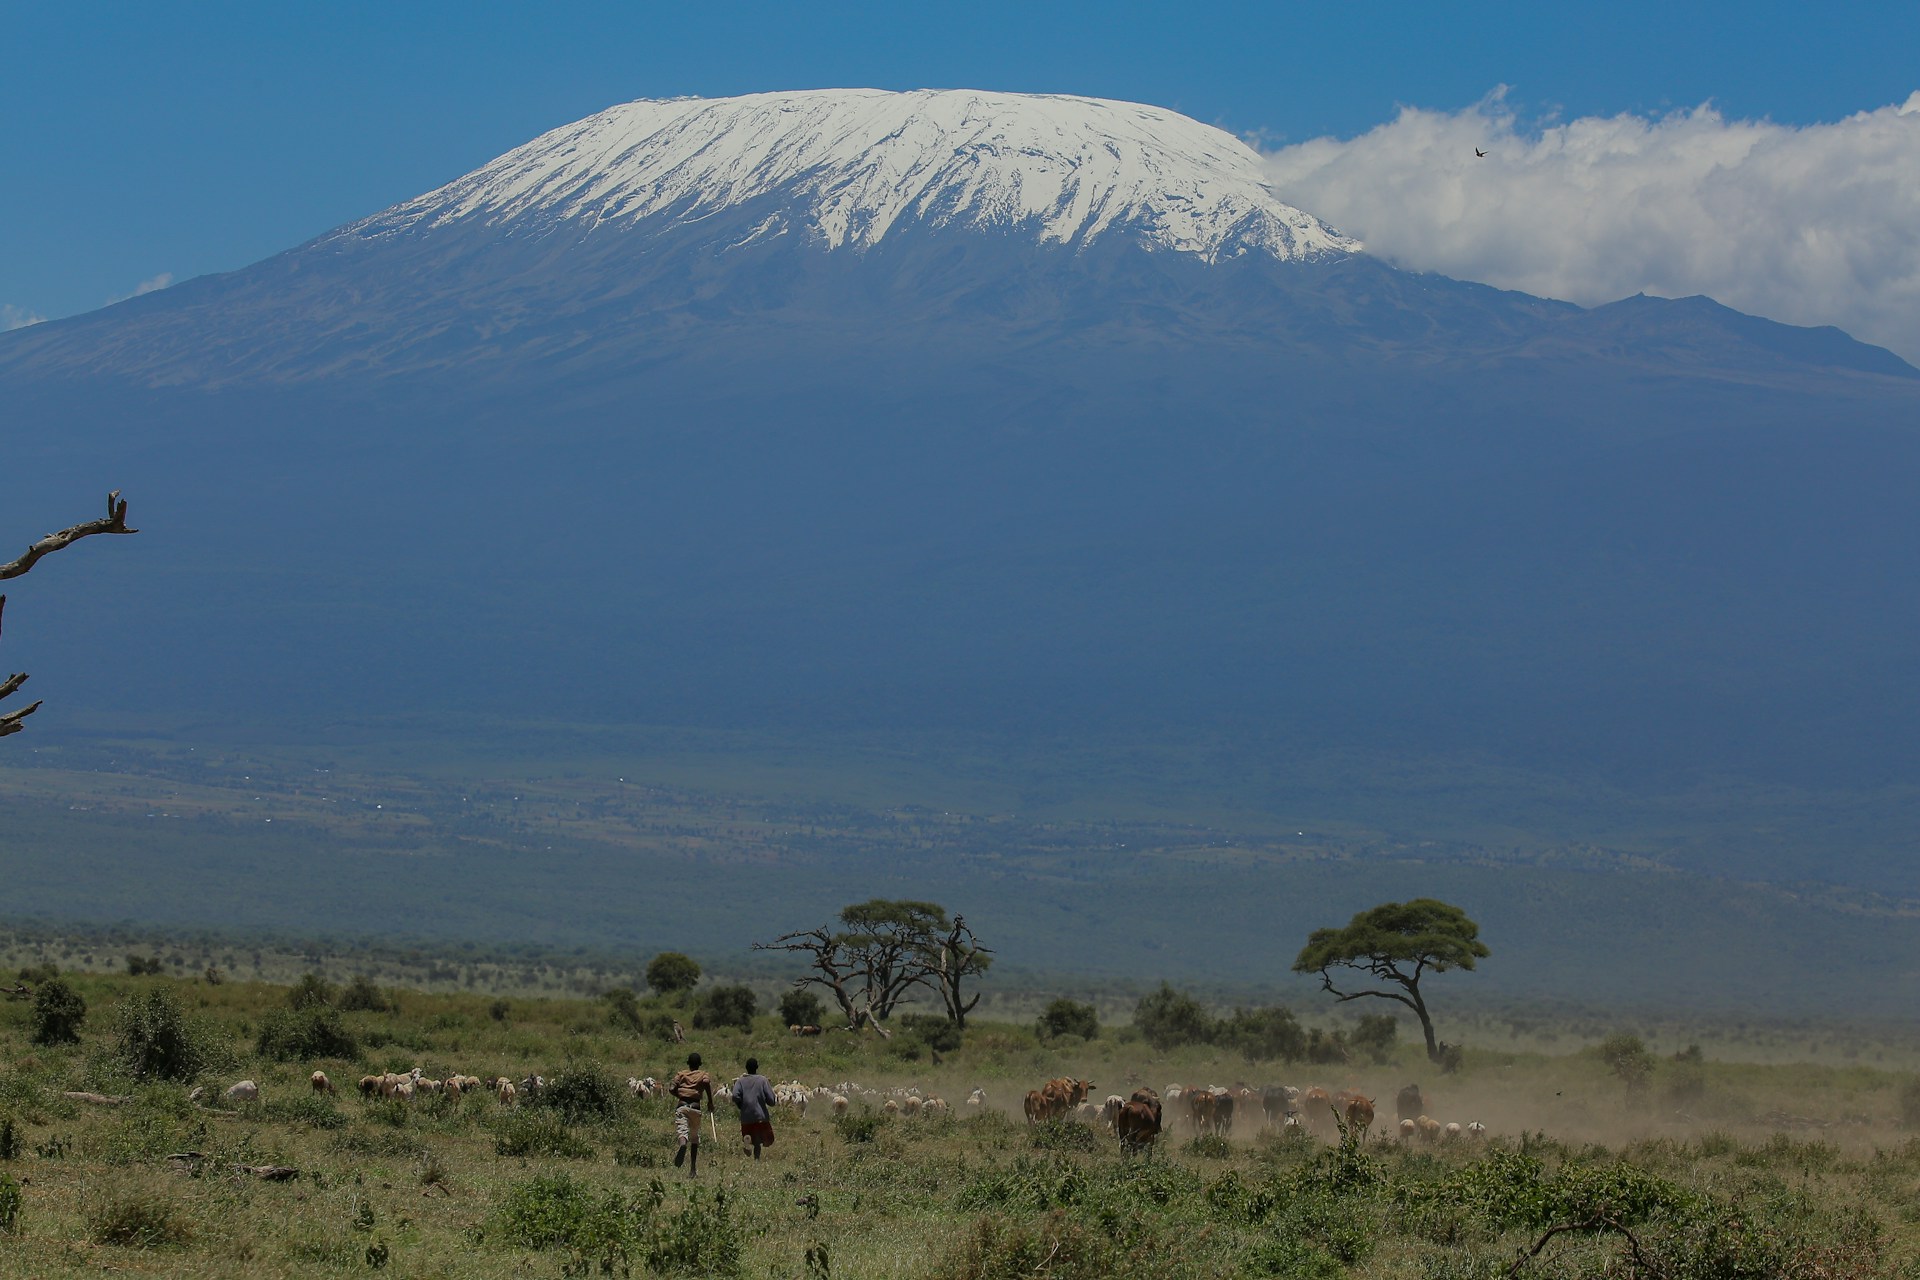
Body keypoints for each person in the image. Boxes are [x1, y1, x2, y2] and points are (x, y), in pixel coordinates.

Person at [665, 1051, 715, 1175]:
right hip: (695, 1108)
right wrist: (710, 1102)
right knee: (694, 1137)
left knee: (682, 1131)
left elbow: (671, 1088)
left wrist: (680, 1095)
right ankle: (692, 1170)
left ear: (688, 1064)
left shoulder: (681, 1074)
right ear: (699, 1064)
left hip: (682, 1106)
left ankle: (682, 1145)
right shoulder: (703, 1074)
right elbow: (707, 1083)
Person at [730, 1057, 778, 1160]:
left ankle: (747, 1138)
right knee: (759, 1140)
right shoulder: (763, 1080)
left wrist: (741, 1105)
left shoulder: (740, 1081)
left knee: (749, 1133)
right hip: (760, 1116)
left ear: (746, 1068)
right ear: (757, 1067)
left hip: (746, 1116)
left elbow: (734, 1096)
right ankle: (757, 1159)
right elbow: (771, 1100)